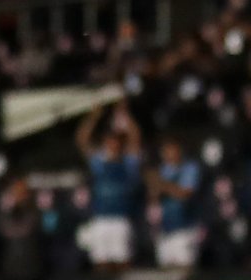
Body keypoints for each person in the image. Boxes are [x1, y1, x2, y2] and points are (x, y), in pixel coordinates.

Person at [77, 105, 142, 271]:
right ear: (105, 142)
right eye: (109, 140)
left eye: (116, 141)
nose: (113, 144)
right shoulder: (98, 163)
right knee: (100, 263)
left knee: (123, 262)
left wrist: (124, 113)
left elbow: (136, 137)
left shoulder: (128, 163)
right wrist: (93, 117)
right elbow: (82, 140)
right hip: (101, 219)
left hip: (121, 219)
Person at [147, 136, 203, 268]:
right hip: (164, 230)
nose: (169, 154)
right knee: (166, 270)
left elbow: (185, 193)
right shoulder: (161, 170)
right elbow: (153, 194)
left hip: (184, 229)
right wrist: (162, 187)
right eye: (166, 151)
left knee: (185, 268)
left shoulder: (189, 168)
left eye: (172, 150)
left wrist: (163, 186)